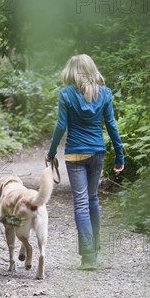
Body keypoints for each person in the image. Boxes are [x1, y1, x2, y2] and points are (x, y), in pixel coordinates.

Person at [46, 54, 124, 270]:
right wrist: (120, 155)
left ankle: (88, 257)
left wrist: (51, 152)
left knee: (81, 203)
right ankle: (94, 252)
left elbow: (61, 126)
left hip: (74, 155)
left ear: (71, 71)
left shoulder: (66, 93)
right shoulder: (105, 93)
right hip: (97, 152)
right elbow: (111, 125)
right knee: (93, 200)